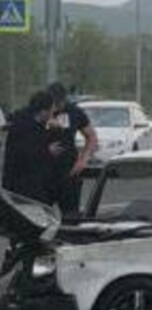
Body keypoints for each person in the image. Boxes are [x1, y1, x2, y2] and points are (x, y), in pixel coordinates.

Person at [45, 82, 98, 216]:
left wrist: (83, 160)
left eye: (59, 102)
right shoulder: (39, 112)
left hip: (69, 172)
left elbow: (91, 137)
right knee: (41, 216)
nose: (56, 106)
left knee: (71, 216)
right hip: (43, 173)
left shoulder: (74, 112)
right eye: (53, 103)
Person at [2, 91, 62, 205]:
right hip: (21, 188)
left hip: (38, 186)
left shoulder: (40, 126)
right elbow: (23, 155)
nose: (52, 115)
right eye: (51, 111)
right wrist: (47, 151)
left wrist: (56, 130)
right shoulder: (22, 126)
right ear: (43, 111)